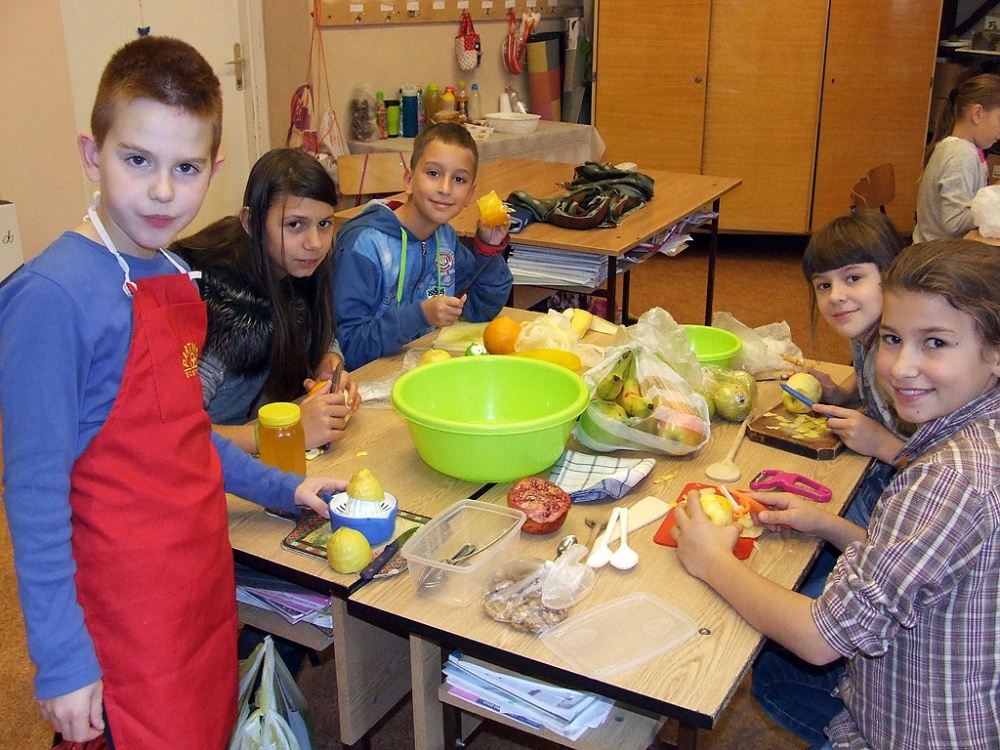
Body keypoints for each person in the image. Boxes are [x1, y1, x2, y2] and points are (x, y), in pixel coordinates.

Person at [0, 37, 347, 749]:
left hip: (200, 583)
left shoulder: (174, 278)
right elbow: (33, 495)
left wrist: (285, 490)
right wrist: (64, 662)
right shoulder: (50, 299)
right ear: (91, 154)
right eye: (137, 160)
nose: (163, 191)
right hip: (125, 614)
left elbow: (186, 437)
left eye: (185, 168)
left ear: (212, 171)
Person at [672, 237, 1000, 750]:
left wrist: (712, 559)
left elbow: (819, 640)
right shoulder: (976, 435)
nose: (900, 367)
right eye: (892, 338)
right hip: (957, 690)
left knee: (769, 650)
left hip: (923, 732)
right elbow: (925, 563)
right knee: (776, 670)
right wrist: (827, 524)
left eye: (935, 342)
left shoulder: (950, 478)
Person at [173, 147, 360, 453]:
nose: (314, 243)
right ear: (251, 222)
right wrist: (286, 432)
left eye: (324, 223)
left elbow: (320, 332)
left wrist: (329, 364)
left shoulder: (296, 265)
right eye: (294, 225)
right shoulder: (217, 308)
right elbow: (178, 436)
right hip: (210, 478)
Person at [333, 122, 513, 370]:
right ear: (409, 180)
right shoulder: (363, 246)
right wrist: (420, 316)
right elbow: (348, 347)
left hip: (422, 371)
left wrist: (488, 250)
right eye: (433, 173)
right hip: (365, 381)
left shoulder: (445, 238)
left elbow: (480, 308)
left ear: (470, 195)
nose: (445, 189)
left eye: (458, 179)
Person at [913, 73, 1000, 242]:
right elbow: (954, 223)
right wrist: (991, 200)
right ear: (977, 114)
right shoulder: (960, 155)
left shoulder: (962, 149)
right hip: (937, 259)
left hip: (939, 253)